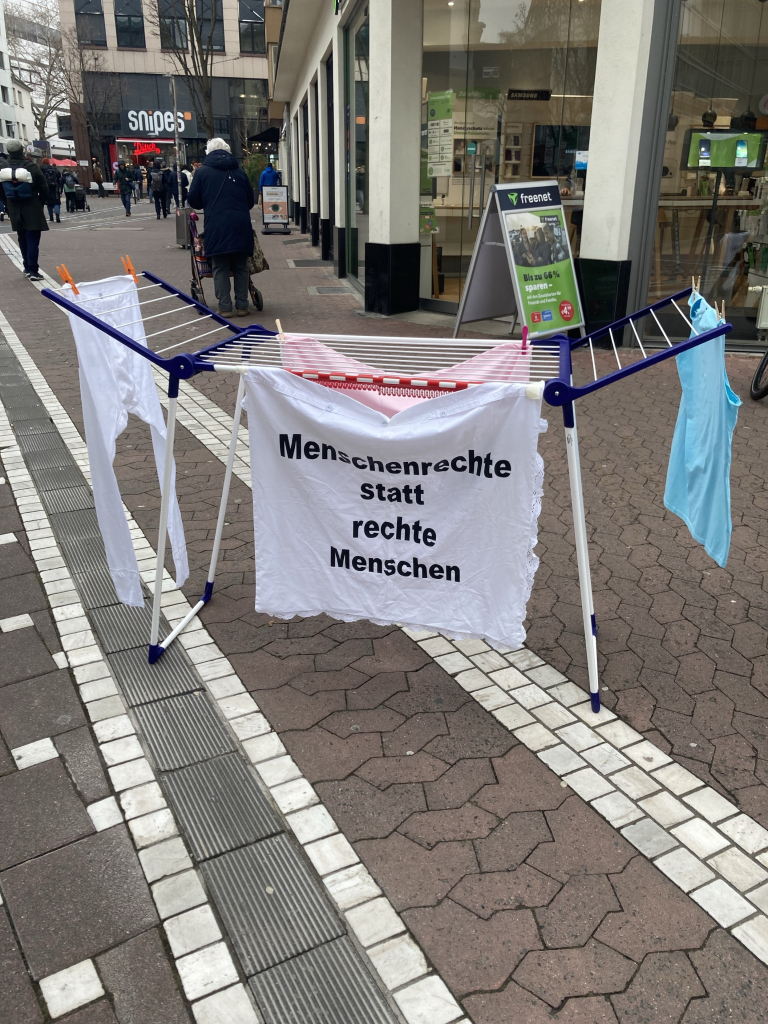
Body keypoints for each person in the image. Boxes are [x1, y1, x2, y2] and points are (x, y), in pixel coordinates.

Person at [187, 137, 255, 317]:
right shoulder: (240, 171)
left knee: (220, 266)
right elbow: (250, 201)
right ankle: (242, 305)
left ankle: (225, 307)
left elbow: (193, 200)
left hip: (216, 225)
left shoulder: (202, 172)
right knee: (241, 265)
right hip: (241, 224)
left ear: (208, 152)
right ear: (227, 151)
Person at [0, 139, 49, 280]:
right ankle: (33, 270)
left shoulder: (3, 167)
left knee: (22, 237)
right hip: (31, 205)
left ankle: (27, 267)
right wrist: (41, 202)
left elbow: (1, 190)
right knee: (32, 237)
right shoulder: (31, 166)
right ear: (22, 151)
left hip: (14, 206)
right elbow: (43, 186)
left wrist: (7, 203)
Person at [41, 158, 61, 222]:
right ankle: (57, 216)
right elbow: (59, 178)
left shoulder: (41, 169)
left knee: (49, 203)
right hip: (55, 188)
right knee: (56, 202)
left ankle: (51, 217)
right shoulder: (54, 169)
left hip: (46, 188)